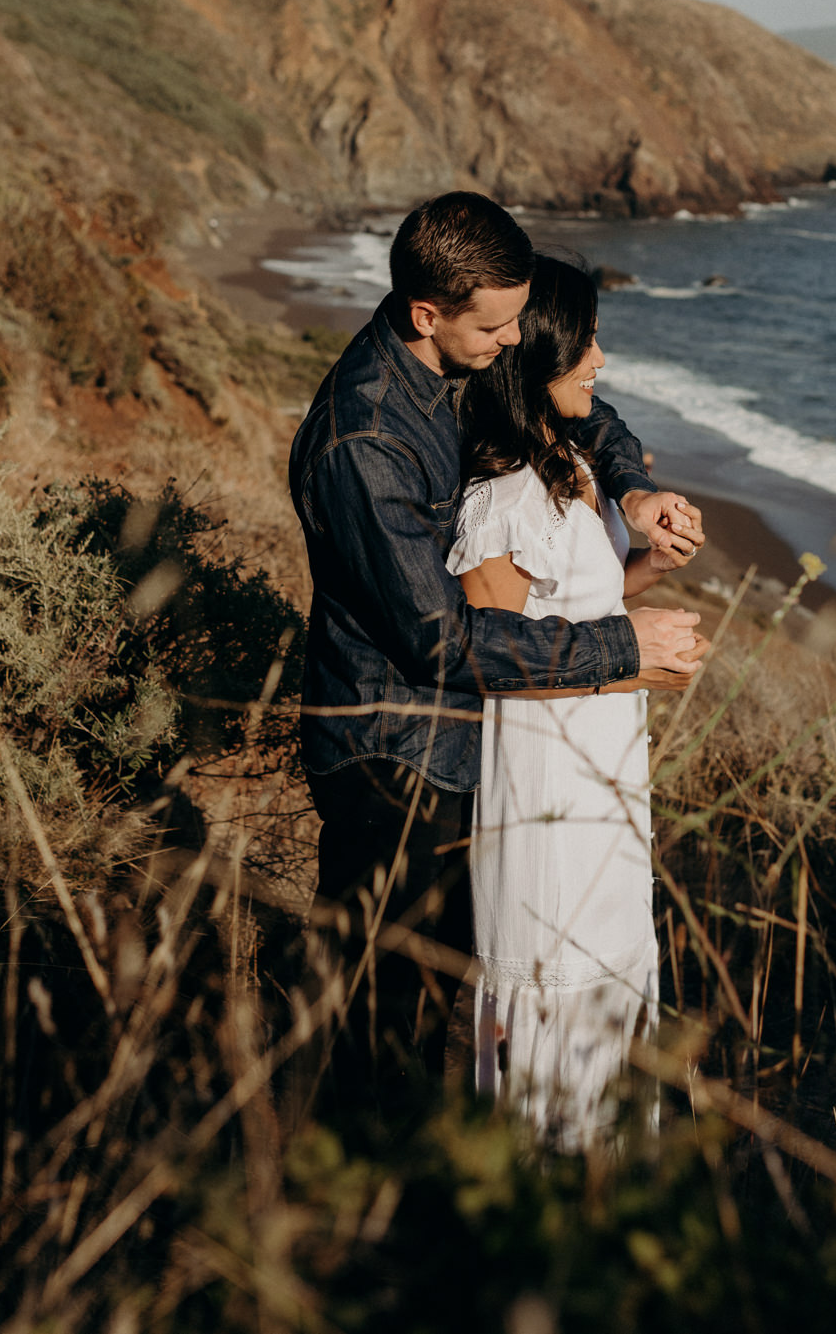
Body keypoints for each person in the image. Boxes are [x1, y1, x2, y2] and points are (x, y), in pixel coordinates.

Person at [288, 192, 705, 1108]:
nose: (515, 340)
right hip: (387, 753)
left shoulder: (456, 354)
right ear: (427, 313)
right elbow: (441, 637)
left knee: (447, 987)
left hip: (461, 746)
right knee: (381, 1008)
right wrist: (618, 647)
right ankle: (349, 1207)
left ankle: (438, 1178)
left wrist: (633, 494)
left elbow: (576, 405)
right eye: (499, 323)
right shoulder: (364, 441)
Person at [450, 255, 687, 1144]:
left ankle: (601, 1196)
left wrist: (648, 570)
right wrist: (637, 663)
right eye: (585, 343)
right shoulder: (498, 501)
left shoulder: (571, 463)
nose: (602, 360)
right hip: (548, 797)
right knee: (557, 995)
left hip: (603, 785)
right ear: (535, 359)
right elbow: (497, 659)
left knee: (614, 969)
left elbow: (572, 615)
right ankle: (541, 1202)